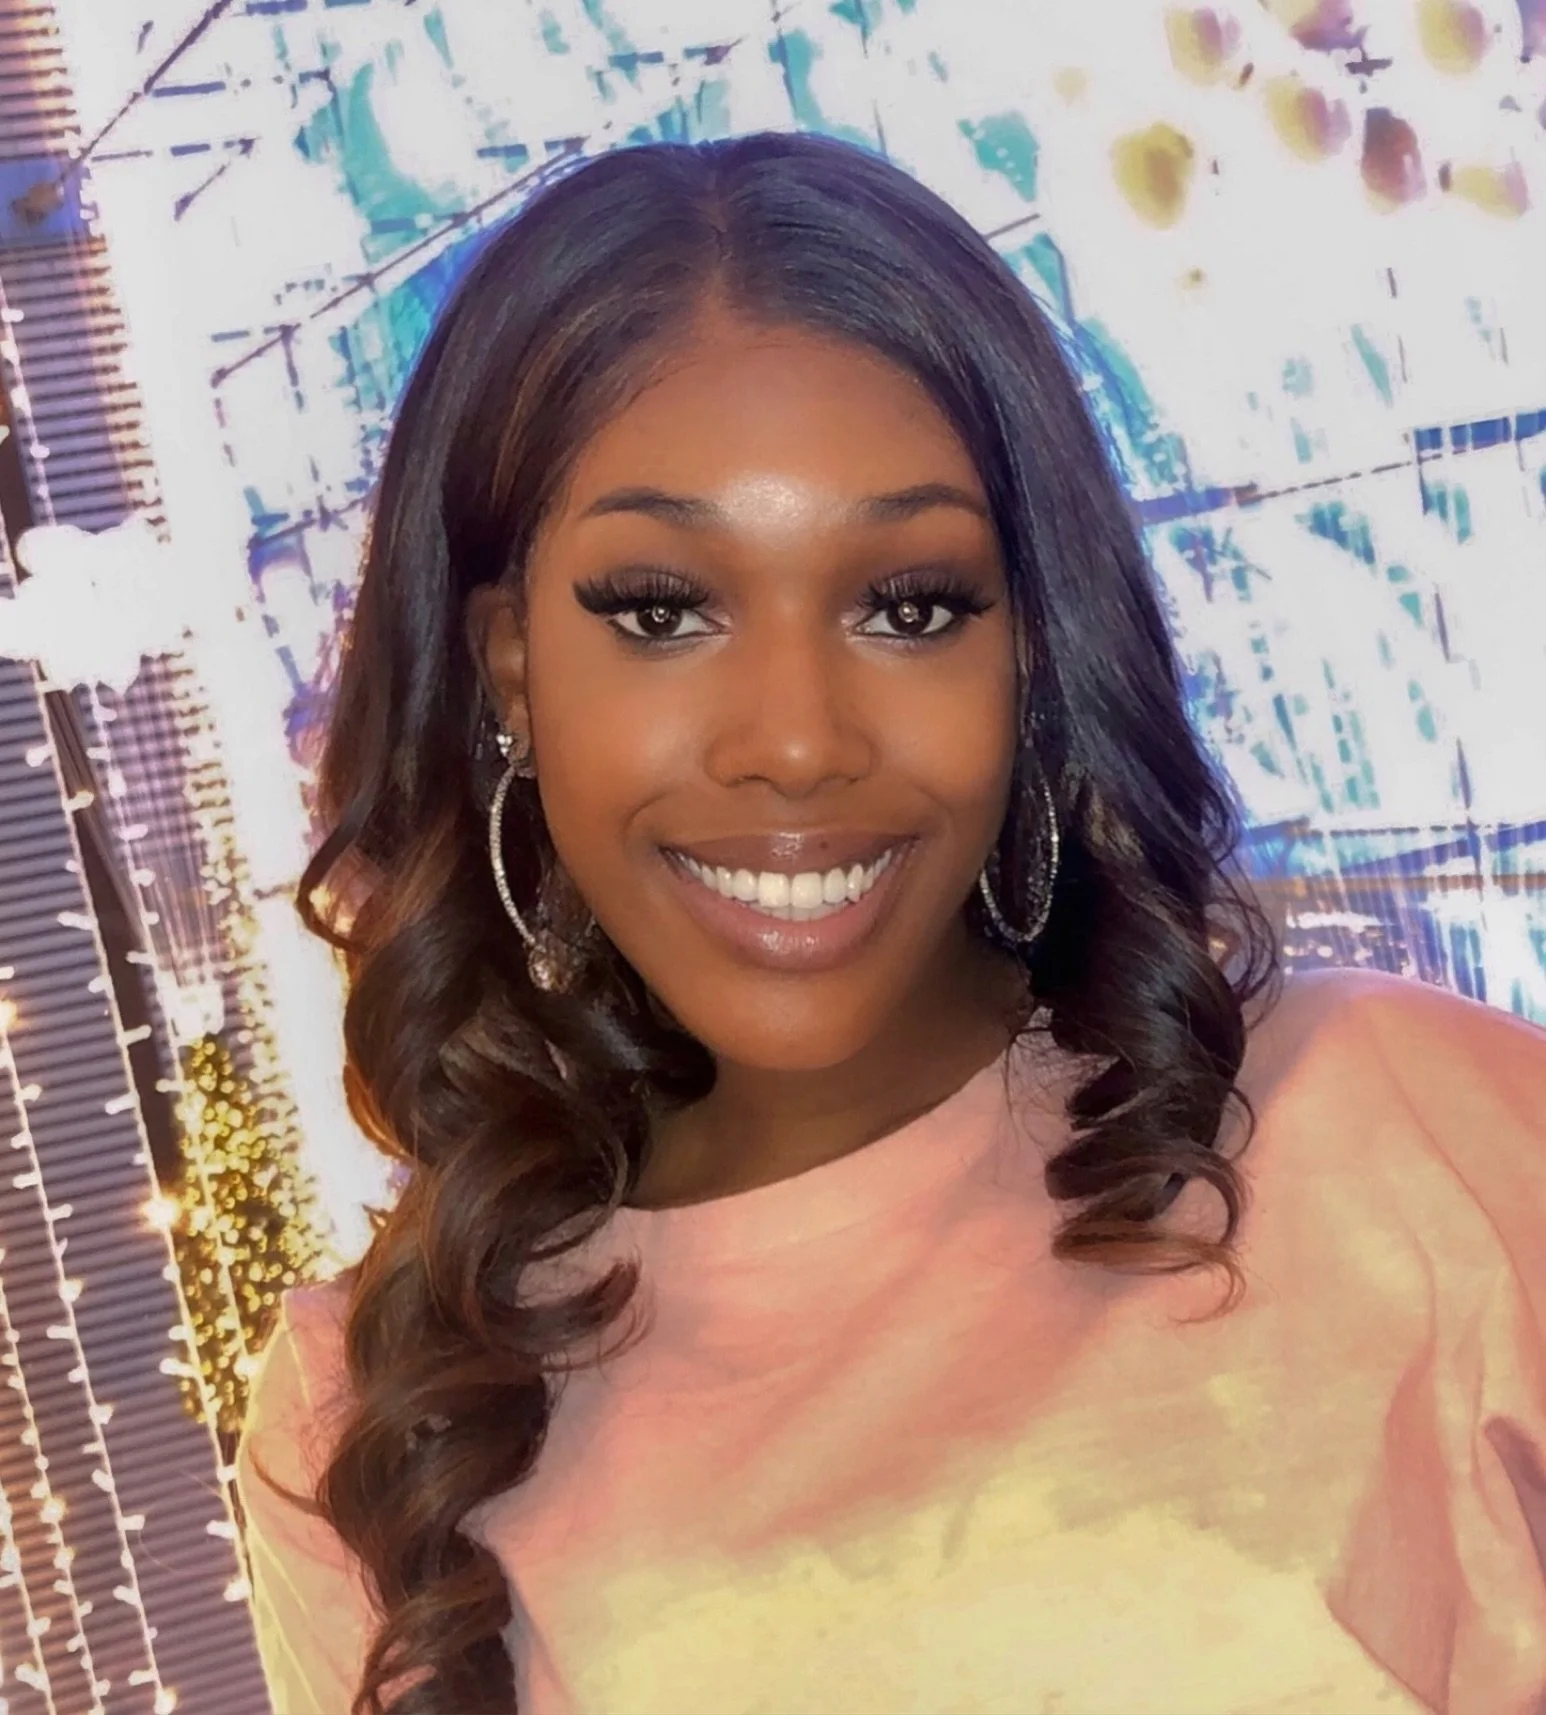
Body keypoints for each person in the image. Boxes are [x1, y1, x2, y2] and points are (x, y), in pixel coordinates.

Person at [234, 131, 1546, 1715]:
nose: (795, 737)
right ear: (512, 664)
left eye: (909, 603)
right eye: (661, 609)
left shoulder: (1401, 1126)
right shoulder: (365, 1428)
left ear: (1028, 646)